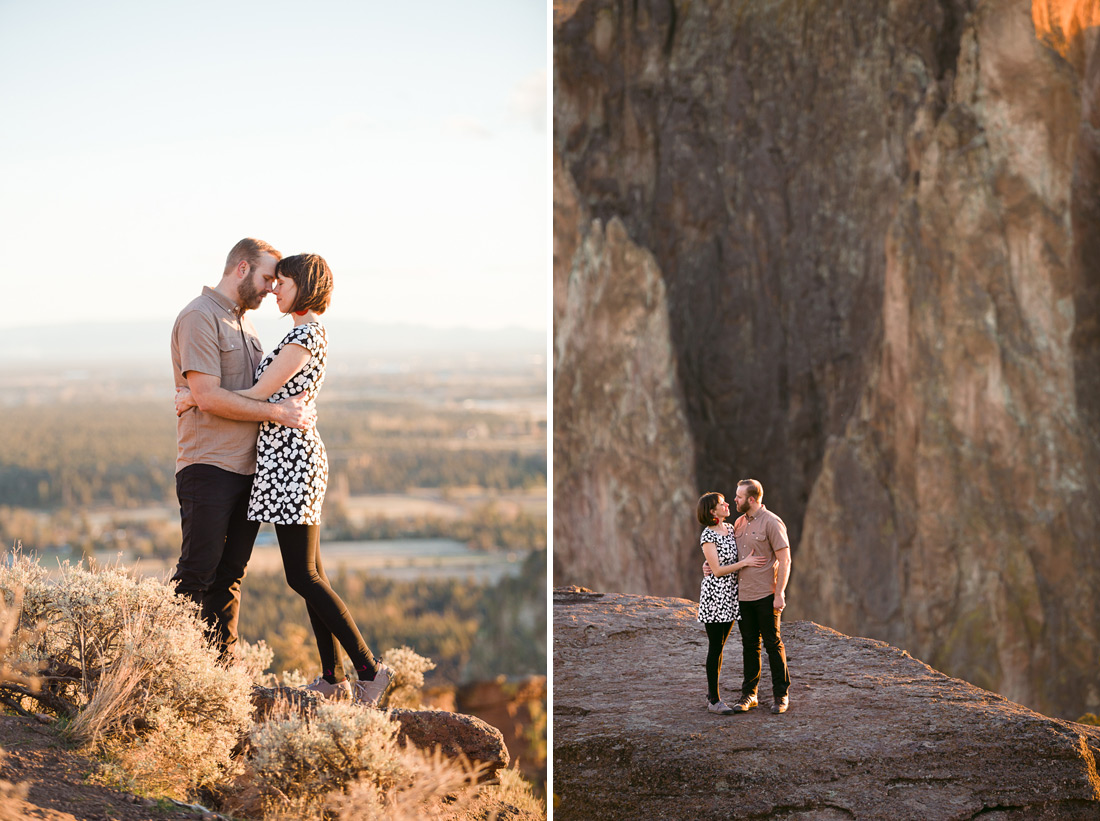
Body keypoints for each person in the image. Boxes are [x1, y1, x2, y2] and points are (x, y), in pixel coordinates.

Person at [177, 253, 394, 706]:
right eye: (273, 281)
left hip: (292, 464)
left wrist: (195, 398)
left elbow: (256, 395)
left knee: (304, 577)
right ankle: (333, 678)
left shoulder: (305, 337)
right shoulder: (298, 334)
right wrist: (200, 396)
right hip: (281, 465)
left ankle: (370, 671)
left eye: (284, 282)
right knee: (309, 573)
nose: (275, 289)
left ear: (305, 286)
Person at [171, 238, 315, 661]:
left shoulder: (244, 324)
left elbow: (243, 390)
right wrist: (275, 413)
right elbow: (211, 396)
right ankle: (167, 668)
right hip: (209, 464)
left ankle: (222, 671)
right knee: (197, 574)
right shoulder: (199, 318)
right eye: (268, 277)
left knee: (231, 576)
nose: (272, 288)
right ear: (241, 269)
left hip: (247, 469)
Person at [714, 479, 792, 714]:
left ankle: (781, 696)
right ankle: (750, 695)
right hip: (743, 597)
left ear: (750, 499)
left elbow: (785, 560)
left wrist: (779, 594)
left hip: (766, 596)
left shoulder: (772, 522)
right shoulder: (738, 523)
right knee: (749, 645)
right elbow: (728, 554)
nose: (734, 500)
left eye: (738, 496)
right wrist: (710, 566)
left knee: (772, 644)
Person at [696, 492, 767, 715]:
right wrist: (744, 563)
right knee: (716, 647)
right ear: (712, 511)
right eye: (721, 503)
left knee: (722, 646)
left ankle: (713, 695)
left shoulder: (731, 529)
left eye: (727, 501)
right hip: (715, 596)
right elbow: (716, 570)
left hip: (731, 596)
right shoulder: (708, 536)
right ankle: (714, 700)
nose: (727, 505)